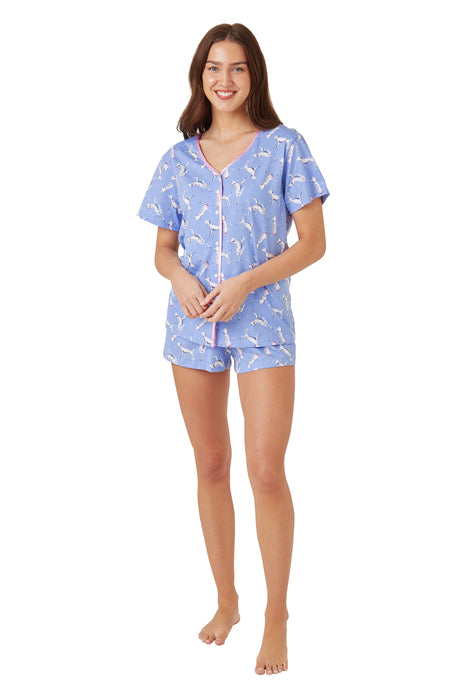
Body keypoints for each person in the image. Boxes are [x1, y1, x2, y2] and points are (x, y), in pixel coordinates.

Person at [137, 22, 330, 676]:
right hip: (191, 326)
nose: (224, 79)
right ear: (200, 77)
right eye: (213, 68)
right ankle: (227, 600)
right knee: (211, 464)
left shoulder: (284, 146)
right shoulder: (177, 160)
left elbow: (313, 243)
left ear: (254, 76)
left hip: (264, 322)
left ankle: (277, 615)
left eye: (237, 67)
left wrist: (247, 281)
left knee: (266, 470)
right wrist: (179, 278)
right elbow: (162, 250)